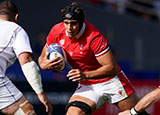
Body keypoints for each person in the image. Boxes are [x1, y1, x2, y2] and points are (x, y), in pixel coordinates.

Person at [38, 2, 149, 115]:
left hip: (111, 81)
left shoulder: (93, 37)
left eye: (73, 23)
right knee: (73, 113)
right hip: (87, 84)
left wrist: (85, 75)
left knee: (137, 113)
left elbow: (111, 68)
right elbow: (41, 59)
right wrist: (45, 65)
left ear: (81, 22)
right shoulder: (57, 31)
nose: (69, 28)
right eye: (66, 23)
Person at [0, 0, 52, 115]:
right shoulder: (16, 30)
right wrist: (40, 93)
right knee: (27, 110)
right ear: (16, 17)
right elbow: (27, 62)